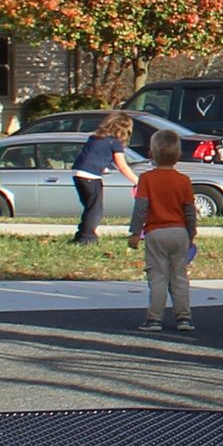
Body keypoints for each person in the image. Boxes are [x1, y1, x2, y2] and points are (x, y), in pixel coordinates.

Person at [133, 131, 200, 333]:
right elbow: (189, 210)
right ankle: (184, 318)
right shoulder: (184, 180)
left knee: (158, 276)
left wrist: (135, 233)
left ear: (151, 153)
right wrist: (191, 232)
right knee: (179, 276)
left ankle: (154, 319)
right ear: (178, 155)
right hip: (179, 232)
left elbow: (141, 208)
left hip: (156, 232)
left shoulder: (146, 179)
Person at [71, 111, 131, 245]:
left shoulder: (95, 138)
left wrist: (102, 167)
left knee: (89, 207)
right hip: (91, 177)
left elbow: (92, 156)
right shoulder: (115, 142)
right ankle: (88, 238)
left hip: (78, 174)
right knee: (96, 209)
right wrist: (138, 181)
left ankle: (80, 234)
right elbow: (123, 166)